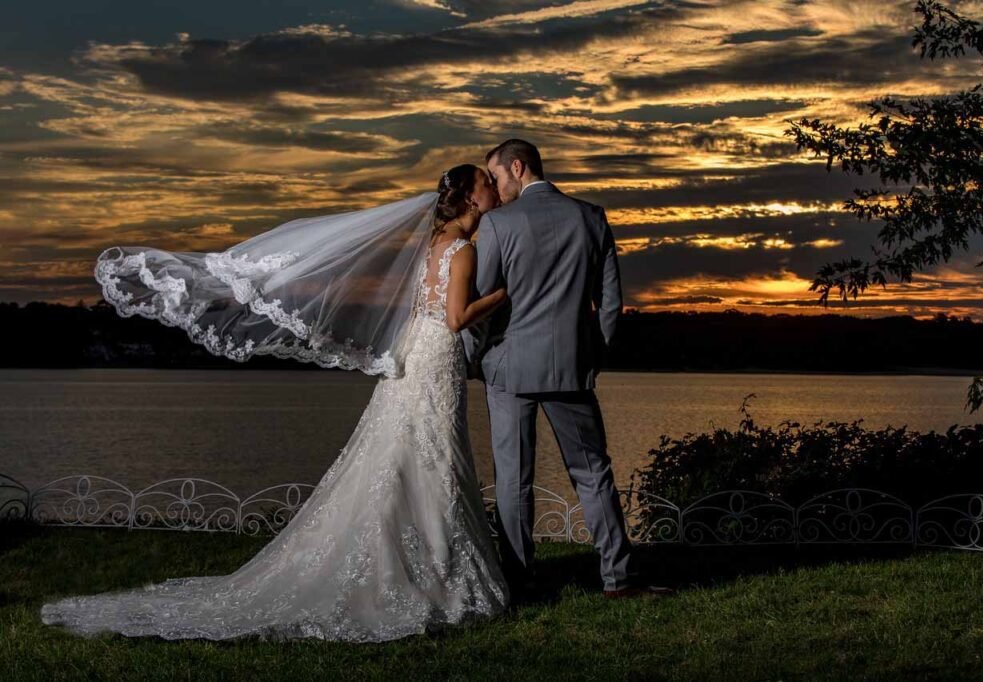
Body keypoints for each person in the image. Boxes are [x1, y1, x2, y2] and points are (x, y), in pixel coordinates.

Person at [39, 164, 513, 642]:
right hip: (436, 355)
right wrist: (503, 295)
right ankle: (436, 569)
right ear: (470, 199)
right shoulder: (462, 250)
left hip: (416, 351)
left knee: (405, 449)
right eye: (485, 183)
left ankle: (416, 559)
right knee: (433, 450)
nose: (492, 188)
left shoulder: (432, 245)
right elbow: (457, 318)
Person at [464, 138, 668, 599]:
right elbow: (610, 304)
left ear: (518, 167)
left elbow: (482, 305)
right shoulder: (591, 217)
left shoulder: (497, 224)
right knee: (593, 473)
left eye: (496, 176)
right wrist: (591, 356)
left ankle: (520, 582)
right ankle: (619, 579)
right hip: (571, 368)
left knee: (514, 480)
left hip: (509, 370)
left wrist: (473, 359)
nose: (494, 187)